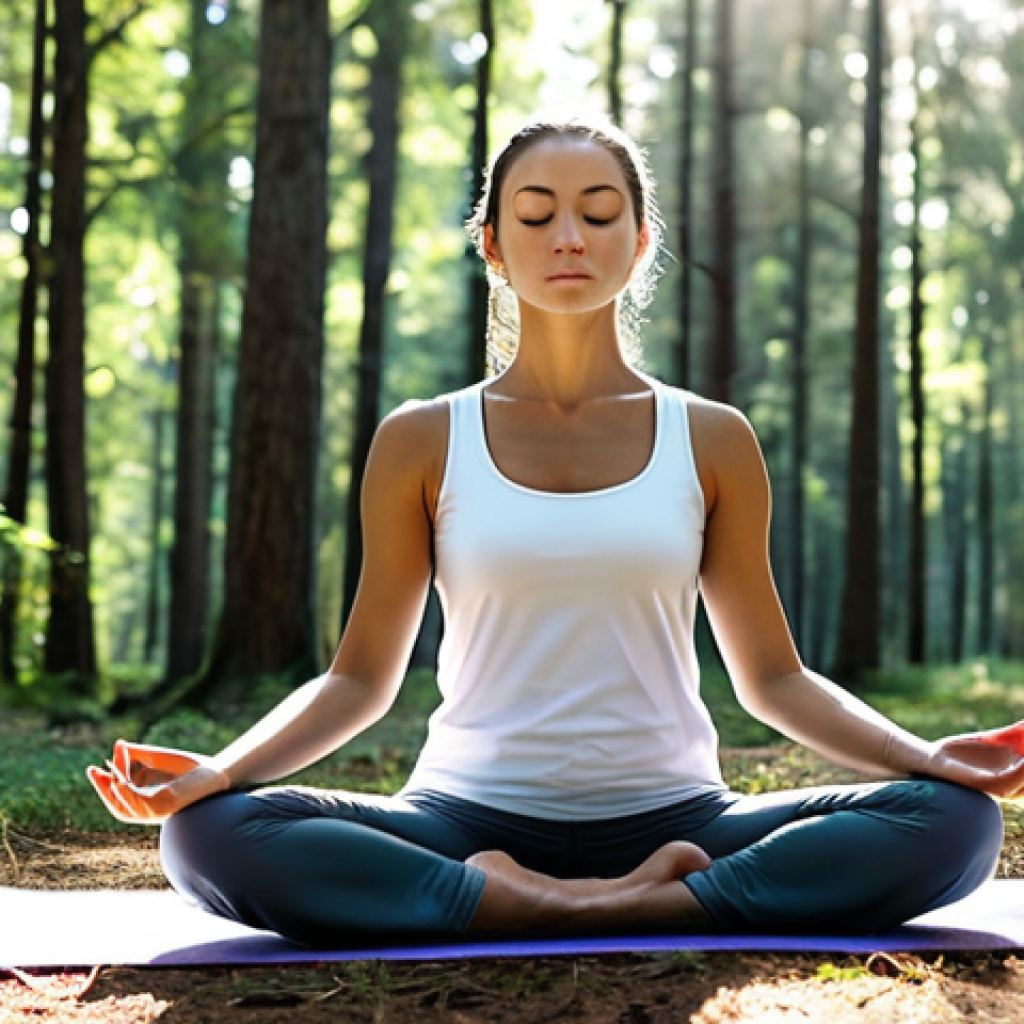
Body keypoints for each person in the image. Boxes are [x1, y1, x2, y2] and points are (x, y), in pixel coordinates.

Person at [89, 112, 1024, 946]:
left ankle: (585, 905)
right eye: (535, 216)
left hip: (680, 820)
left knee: (955, 822)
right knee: (209, 835)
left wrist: (927, 756)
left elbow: (772, 678)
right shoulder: (422, 438)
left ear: (640, 239)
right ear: (492, 245)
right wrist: (223, 769)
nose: (568, 236)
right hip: (464, 818)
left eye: (599, 212)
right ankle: (552, 897)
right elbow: (357, 680)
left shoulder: (711, 438)